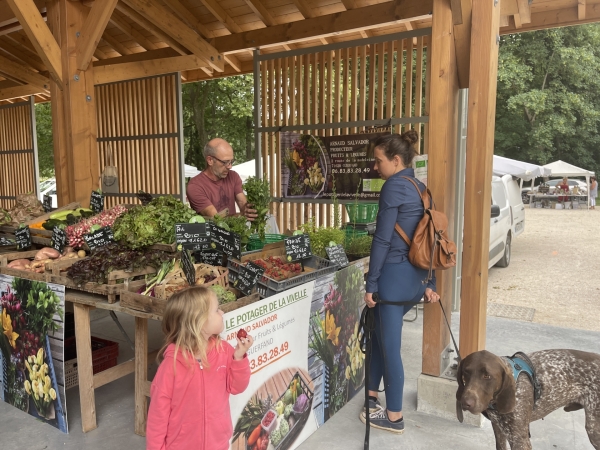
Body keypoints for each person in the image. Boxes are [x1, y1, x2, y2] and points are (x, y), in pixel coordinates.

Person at [361, 131, 440, 434]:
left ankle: (394, 416)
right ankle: (371, 396)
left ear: (395, 160)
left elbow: (381, 240)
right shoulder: (421, 188)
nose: (375, 166)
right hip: (416, 280)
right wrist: (430, 281)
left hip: (393, 280)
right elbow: (430, 238)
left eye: (378, 160)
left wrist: (371, 284)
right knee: (379, 336)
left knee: (390, 347)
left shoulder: (393, 186)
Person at [146, 286, 253, 450]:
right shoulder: (171, 366)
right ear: (199, 322)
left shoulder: (223, 351)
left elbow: (237, 387)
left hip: (217, 444)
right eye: (217, 310)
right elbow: (157, 417)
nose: (222, 313)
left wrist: (239, 358)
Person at [186, 138, 257, 220]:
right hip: (212, 232)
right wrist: (241, 215)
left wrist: (252, 210)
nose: (230, 166)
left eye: (231, 161)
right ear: (210, 160)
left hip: (236, 231)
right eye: (225, 162)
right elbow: (217, 219)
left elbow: (243, 204)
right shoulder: (195, 186)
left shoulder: (233, 176)